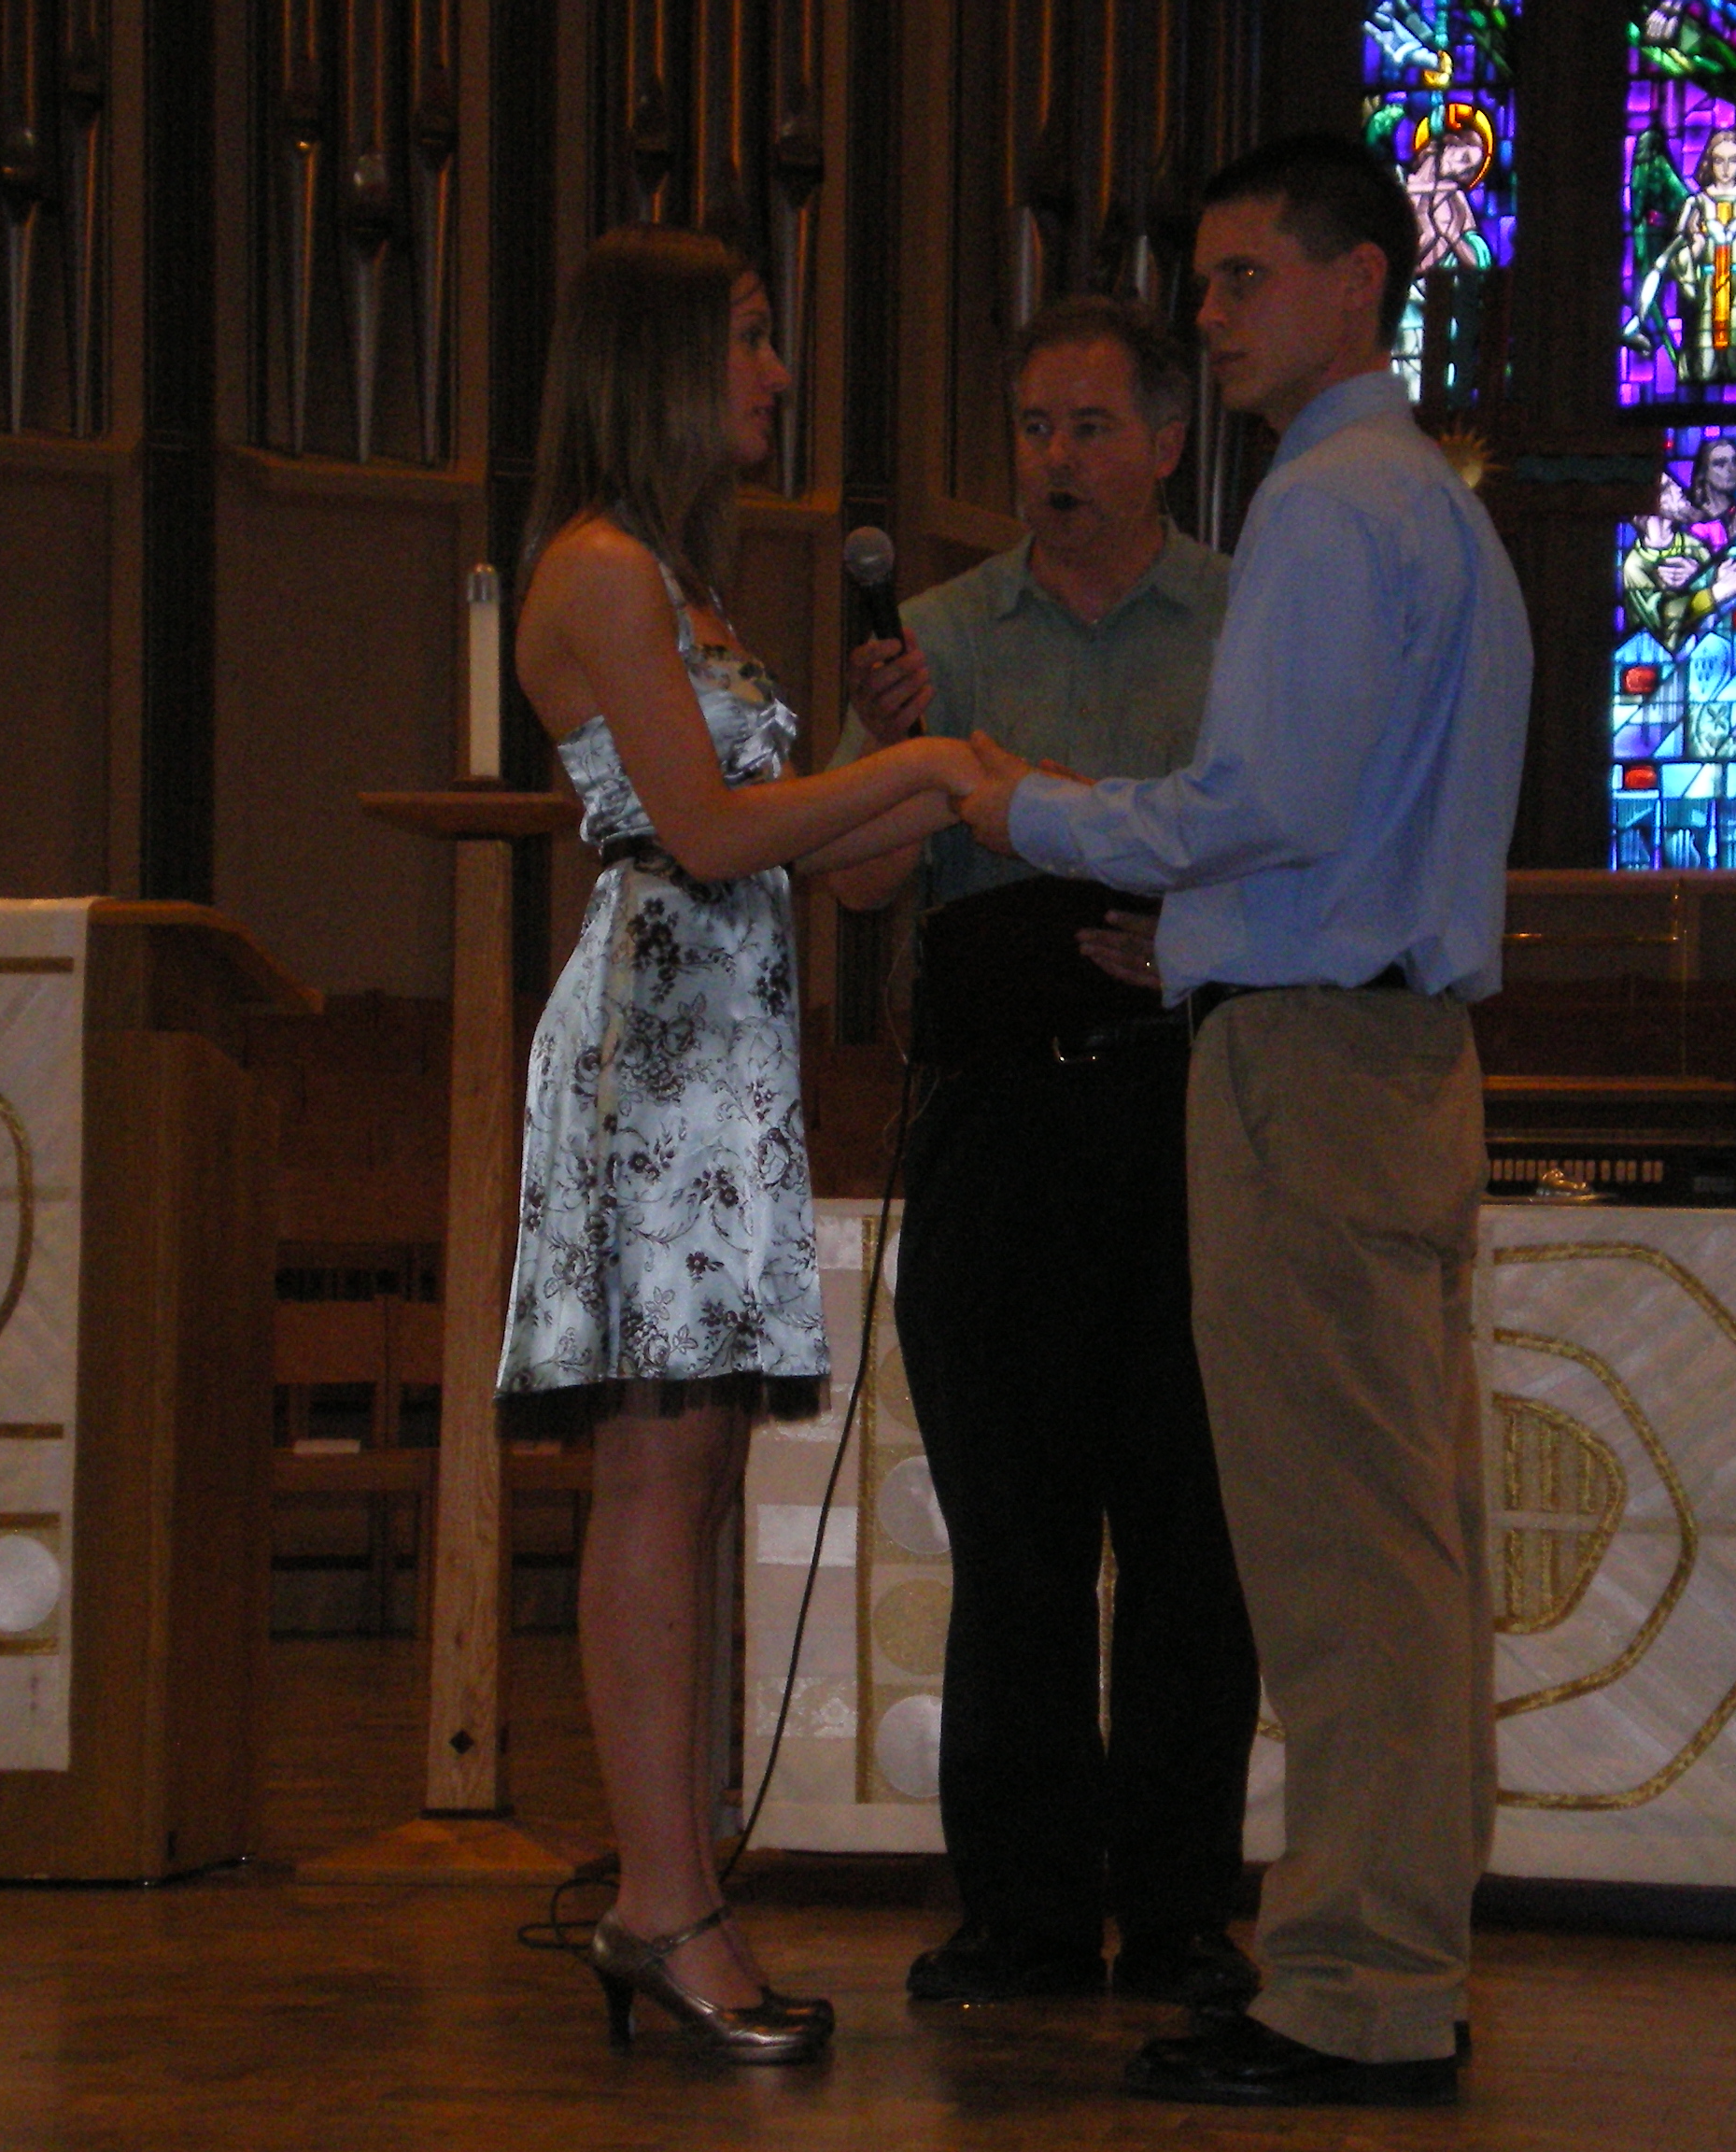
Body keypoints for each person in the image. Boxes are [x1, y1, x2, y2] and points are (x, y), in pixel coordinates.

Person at [961, 131, 1530, 2108]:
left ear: (1357, 279)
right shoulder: (1433, 504)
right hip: (1389, 1045)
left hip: (1309, 1068)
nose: (1207, 317)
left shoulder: (1326, 503)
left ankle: (1359, 1990)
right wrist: (1203, 931)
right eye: (1200, 284)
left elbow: (1262, 802)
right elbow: (1346, 821)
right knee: (1408, 1547)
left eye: (1240, 279)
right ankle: (1394, 1955)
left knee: (1346, 1560)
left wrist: (1020, 801)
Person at [496, 222, 981, 2066]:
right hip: (651, 1053)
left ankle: (674, 1889)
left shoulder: (689, 588)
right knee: (654, 1475)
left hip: (728, 1056)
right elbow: (699, 836)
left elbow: (834, 876)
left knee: (696, 1475)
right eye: (754, 337)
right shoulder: (600, 571)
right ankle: (663, 1903)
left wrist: (877, 760)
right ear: (662, 359)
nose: (778, 373)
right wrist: (913, 773)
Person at [828, 295, 1260, 2011]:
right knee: (1013, 1539)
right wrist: (887, 749)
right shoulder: (934, 641)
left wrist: (1201, 933)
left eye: (1089, 427)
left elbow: (1297, 836)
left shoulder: (1243, 623)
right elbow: (857, 883)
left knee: (1187, 1531)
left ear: (1164, 443)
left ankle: (1178, 1910)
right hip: (1002, 1131)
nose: (1055, 459)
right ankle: (1019, 1911)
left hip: (1188, 1117)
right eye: (1031, 427)